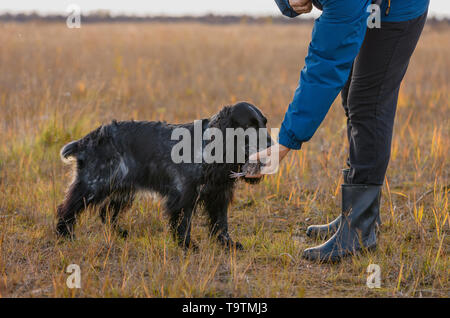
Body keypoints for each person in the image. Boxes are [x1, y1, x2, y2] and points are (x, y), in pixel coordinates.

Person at [248, 0, 429, 262]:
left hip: (396, 10)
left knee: (368, 103)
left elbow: (325, 65)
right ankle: (357, 212)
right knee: (350, 93)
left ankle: (359, 230)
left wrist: (284, 144)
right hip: (366, 6)